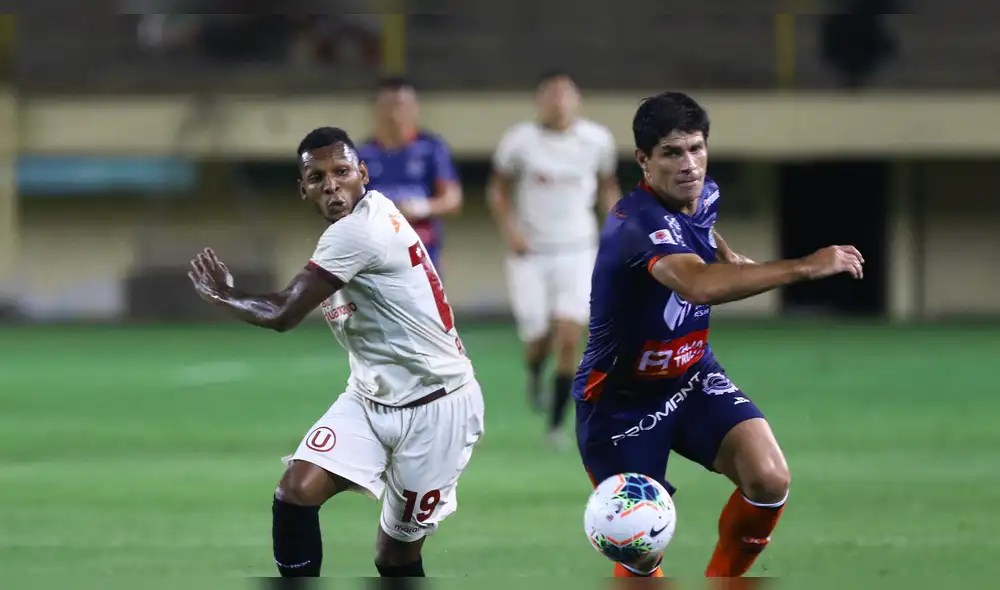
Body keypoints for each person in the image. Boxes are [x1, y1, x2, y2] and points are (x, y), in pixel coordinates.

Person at [573, 92, 865, 578]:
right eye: (672, 153)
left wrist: (724, 253)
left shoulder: (704, 195)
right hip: (619, 402)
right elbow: (697, 285)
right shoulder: (635, 223)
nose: (689, 164)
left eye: (696, 148)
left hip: (691, 376)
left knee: (769, 478)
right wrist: (805, 267)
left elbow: (702, 230)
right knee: (640, 545)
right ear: (644, 161)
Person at [187, 127, 484, 579]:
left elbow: (285, 313)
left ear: (362, 174)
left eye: (341, 172)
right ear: (303, 188)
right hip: (369, 398)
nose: (331, 184)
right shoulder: (357, 225)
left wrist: (223, 295)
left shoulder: (359, 233)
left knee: (395, 557)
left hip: (436, 408)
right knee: (295, 492)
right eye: (317, 176)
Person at [488, 69, 620, 447]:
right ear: (539, 100)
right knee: (538, 338)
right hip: (530, 254)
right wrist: (511, 230)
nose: (559, 101)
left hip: (579, 250)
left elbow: (608, 187)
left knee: (568, 335)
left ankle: (556, 425)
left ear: (577, 100)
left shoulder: (596, 140)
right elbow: (497, 189)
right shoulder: (520, 141)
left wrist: (615, 227)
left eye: (566, 94)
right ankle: (534, 371)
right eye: (551, 94)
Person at [357, 75, 462, 274]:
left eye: (401, 105)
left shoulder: (432, 149)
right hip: (376, 255)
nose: (395, 113)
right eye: (388, 105)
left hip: (422, 252)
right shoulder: (361, 155)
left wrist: (418, 207)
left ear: (415, 108)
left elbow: (452, 199)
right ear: (376, 109)